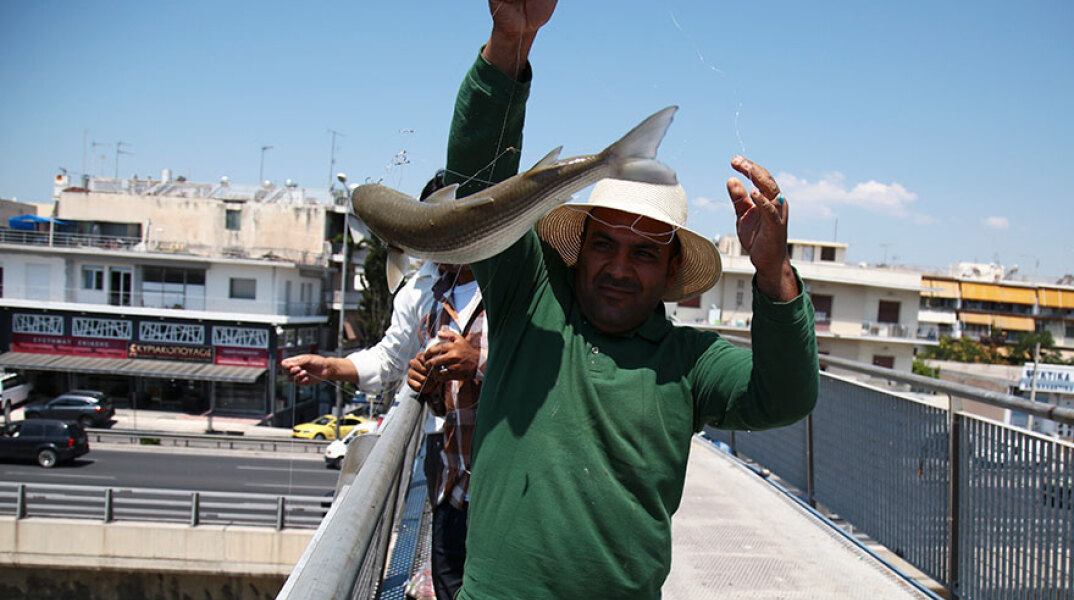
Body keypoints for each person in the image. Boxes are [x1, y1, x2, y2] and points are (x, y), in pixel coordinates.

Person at [439, 1, 819, 598]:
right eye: (604, 245)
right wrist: (511, 40)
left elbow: (786, 397)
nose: (618, 268)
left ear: (672, 269)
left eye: (644, 253)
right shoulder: (528, 296)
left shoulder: (690, 361)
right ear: (578, 248)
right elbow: (477, 188)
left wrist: (775, 274)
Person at [281, 172, 485, 600]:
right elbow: (392, 357)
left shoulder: (511, 285)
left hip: (498, 458)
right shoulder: (424, 289)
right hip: (446, 454)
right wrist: (332, 367)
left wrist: (477, 361)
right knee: (451, 567)